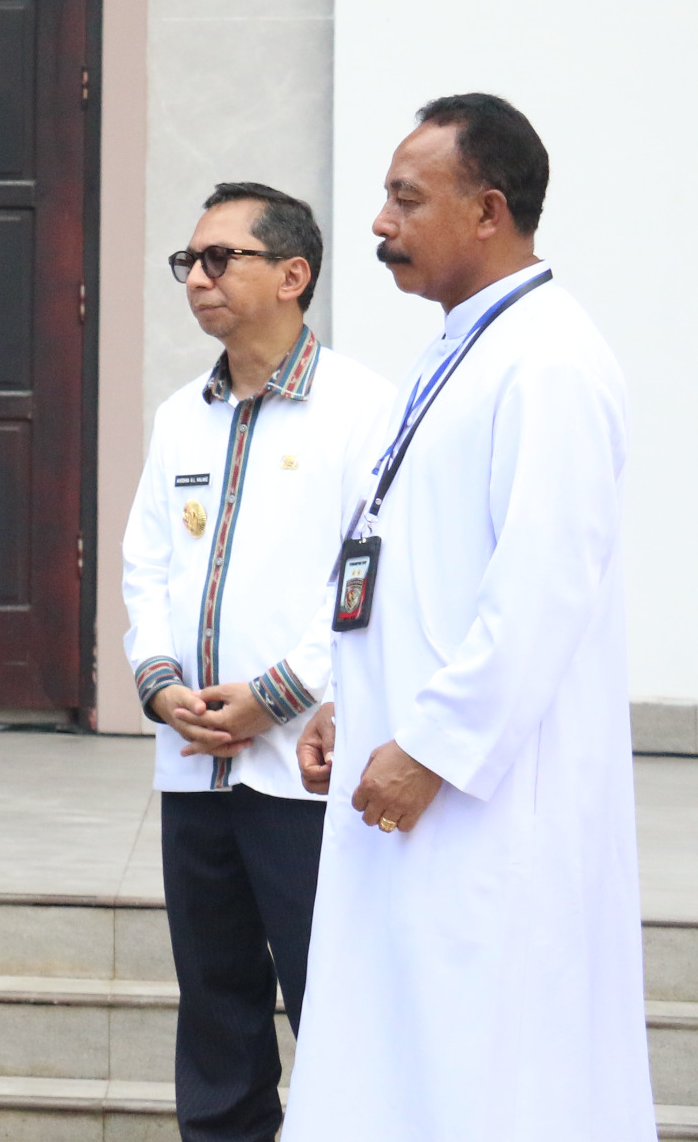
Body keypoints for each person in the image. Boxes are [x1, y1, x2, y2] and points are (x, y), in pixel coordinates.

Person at [285, 95, 653, 1141]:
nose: (378, 224)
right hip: (404, 769)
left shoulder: (550, 361)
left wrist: (435, 745)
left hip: (485, 800)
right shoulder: (460, 348)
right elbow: (398, 560)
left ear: (487, 210)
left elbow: (540, 590)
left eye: (406, 199)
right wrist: (341, 700)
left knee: (488, 1063)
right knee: (403, 1054)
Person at [120, 182, 393, 1142]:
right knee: (215, 1002)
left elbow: (371, 577)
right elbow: (145, 562)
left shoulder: (364, 409)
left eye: (219, 258)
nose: (197, 278)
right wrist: (160, 685)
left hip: (302, 771)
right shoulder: (177, 417)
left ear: (293, 273)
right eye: (188, 261)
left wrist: (276, 696)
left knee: (327, 993)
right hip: (195, 761)